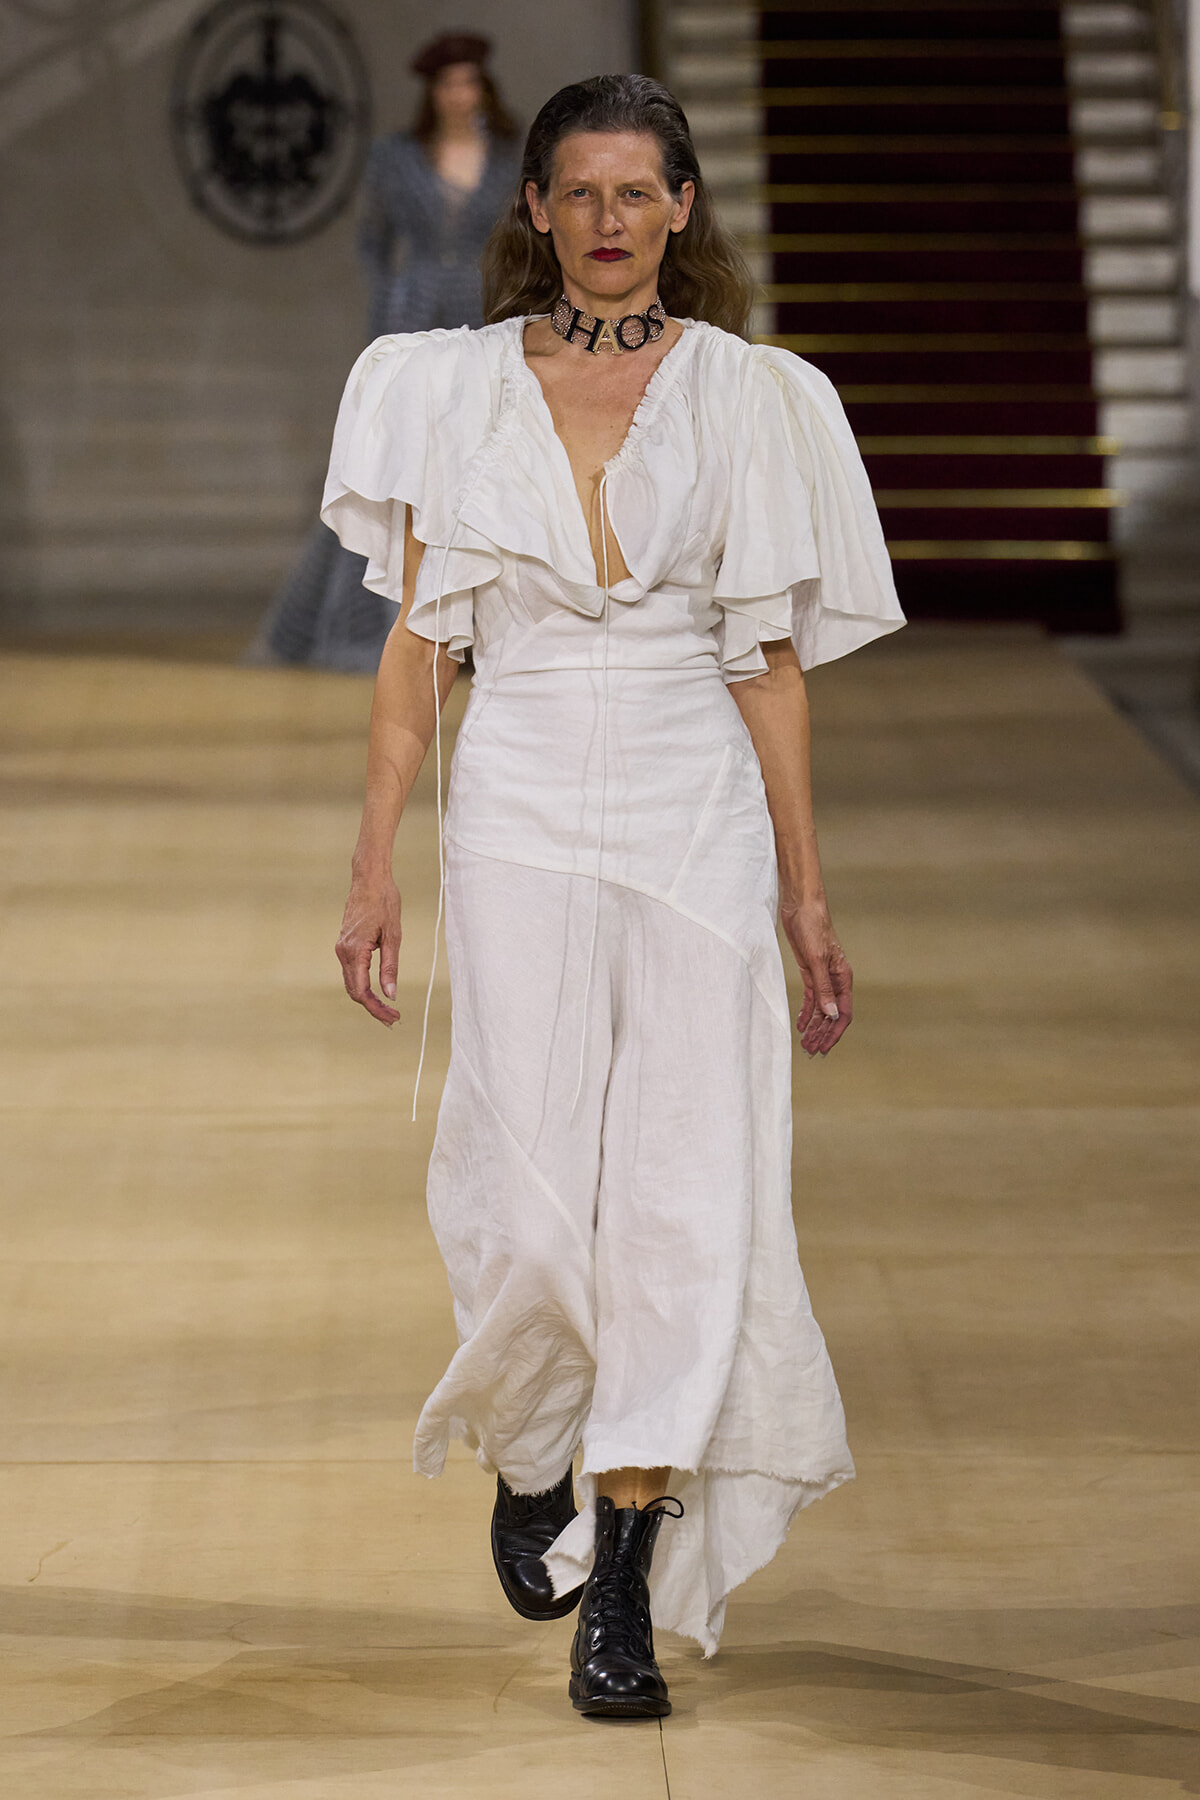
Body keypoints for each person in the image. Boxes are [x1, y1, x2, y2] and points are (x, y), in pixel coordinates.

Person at [324, 74, 905, 1719]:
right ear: (534, 210)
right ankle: (532, 1433)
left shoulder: (755, 400)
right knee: (521, 1187)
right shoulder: (441, 389)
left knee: (681, 1189)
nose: (605, 220)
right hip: (511, 795)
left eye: (635, 192)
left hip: (691, 805)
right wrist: (372, 862)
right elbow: (417, 647)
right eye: (577, 192)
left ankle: (625, 1585)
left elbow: (772, 666)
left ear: (682, 208)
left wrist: (806, 897)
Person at [249, 33, 519, 673]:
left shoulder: (511, 157)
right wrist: (392, 300)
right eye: (449, 83)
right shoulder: (395, 157)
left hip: (486, 314)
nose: (460, 94)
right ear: (431, 92)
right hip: (416, 316)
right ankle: (366, 624)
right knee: (391, 469)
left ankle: (481, 626)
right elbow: (370, 241)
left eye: (470, 82)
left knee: (483, 460)